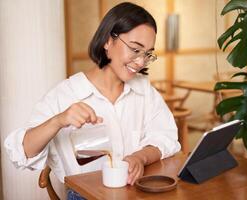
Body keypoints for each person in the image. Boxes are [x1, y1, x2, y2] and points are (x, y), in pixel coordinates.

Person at [4, 2, 180, 199]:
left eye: (147, 54)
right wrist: (58, 121)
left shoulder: (144, 90)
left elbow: (167, 138)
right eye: (134, 49)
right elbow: (21, 153)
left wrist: (140, 157)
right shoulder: (66, 94)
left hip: (135, 192)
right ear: (107, 40)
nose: (140, 62)